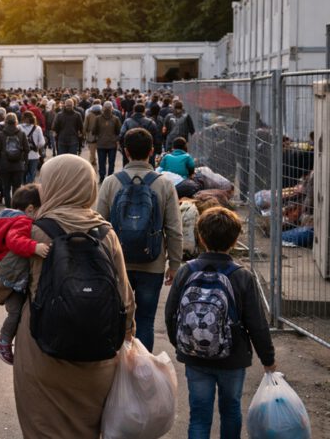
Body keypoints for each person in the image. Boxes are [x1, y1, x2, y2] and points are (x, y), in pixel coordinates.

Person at [13, 154, 135, 439]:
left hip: (42, 347)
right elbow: (125, 296)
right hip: (99, 352)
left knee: (43, 426)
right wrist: (128, 335)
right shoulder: (106, 233)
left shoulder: (35, 231)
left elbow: (0, 283)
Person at [165, 207, 276, 439]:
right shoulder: (242, 276)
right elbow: (257, 324)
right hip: (232, 358)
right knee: (231, 409)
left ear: (201, 238)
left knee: (199, 415)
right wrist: (268, 359)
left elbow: (170, 314)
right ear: (235, 241)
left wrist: (183, 344)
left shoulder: (187, 271)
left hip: (194, 356)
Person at [96, 128, 183, 352]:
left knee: (117, 318)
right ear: (152, 151)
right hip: (152, 263)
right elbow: (174, 228)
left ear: (125, 151)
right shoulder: (164, 184)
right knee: (145, 320)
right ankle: (142, 370)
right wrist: (174, 264)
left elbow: (99, 226)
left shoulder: (110, 182)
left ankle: (118, 365)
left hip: (117, 263)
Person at [0, 184, 49, 364]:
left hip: (7, 272)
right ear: (30, 209)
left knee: (17, 310)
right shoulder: (23, 221)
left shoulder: (7, 218)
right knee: (15, 313)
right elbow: (14, 241)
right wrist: (34, 247)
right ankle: (4, 341)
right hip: (11, 279)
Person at [0, 113, 29, 209]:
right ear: (16, 121)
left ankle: (8, 208)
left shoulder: (0, 135)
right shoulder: (22, 134)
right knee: (17, 188)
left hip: (4, 165)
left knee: (6, 187)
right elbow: (27, 149)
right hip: (18, 165)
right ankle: (15, 208)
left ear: (5, 122)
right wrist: (24, 161)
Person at [93, 101, 121, 183]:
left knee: (102, 162)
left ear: (103, 108)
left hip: (101, 143)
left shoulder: (98, 118)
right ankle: (110, 178)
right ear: (112, 108)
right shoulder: (116, 119)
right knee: (111, 162)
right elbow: (118, 131)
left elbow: (94, 131)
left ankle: (102, 177)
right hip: (112, 144)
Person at [19, 111, 46, 183]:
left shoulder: (19, 127)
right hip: (34, 155)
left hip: (22, 154)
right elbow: (42, 142)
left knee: (23, 174)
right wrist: (36, 147)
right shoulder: (37, 128)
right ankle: (29, 186)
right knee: (32, 174)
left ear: (23, 118)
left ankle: (24, 187)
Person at [83, 103, 102, 169]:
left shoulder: (89, 115)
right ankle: (97, 161)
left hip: (91, 134)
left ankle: (92, 161)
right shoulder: (102, 115)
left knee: (92, 150)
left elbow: (85, 125)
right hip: (100, 134)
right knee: (100, 149)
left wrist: (84, 134)